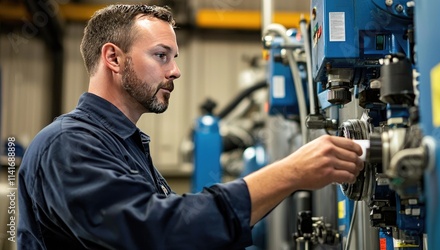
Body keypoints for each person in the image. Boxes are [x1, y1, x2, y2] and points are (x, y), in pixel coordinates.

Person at [17, 4, 364, 250]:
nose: (175, 71)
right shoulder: (68, 145)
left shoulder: (123, 144)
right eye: (160, 55)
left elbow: (184, 228)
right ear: (113, 58)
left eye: (175, 58)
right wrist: (291, 172)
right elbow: (159, 232)